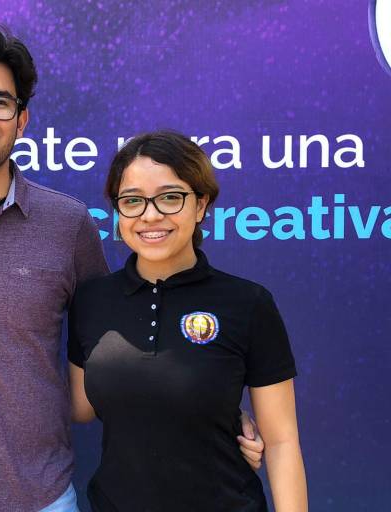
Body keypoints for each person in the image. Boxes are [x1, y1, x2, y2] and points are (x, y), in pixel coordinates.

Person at [0, 26, 264, 512]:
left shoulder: (68, 226)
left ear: (21, 119)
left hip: (42, 496)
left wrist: (212, 408)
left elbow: (128, 333)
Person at [68, 131, 308, 511]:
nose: (150, 215)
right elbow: (80, 407)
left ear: (201, 204)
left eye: (170, 197)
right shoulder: (91, 300)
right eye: (132, 200)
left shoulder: (248, 303)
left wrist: (216, 410)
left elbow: (281, 442)